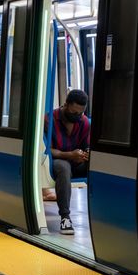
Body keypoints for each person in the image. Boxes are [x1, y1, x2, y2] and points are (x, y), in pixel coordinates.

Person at [46, 89, 91, 235]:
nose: (77, 116)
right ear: (65, 105)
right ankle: (65, 217)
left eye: (80, 113)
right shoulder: (49, 120)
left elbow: (86, 145)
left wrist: (87, 154)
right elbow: (47, 150)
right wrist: (70, 155)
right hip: (56, 161)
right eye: (74, 112)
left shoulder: (84, 122)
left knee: (99, 165)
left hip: (77, 163)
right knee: (64, 167)